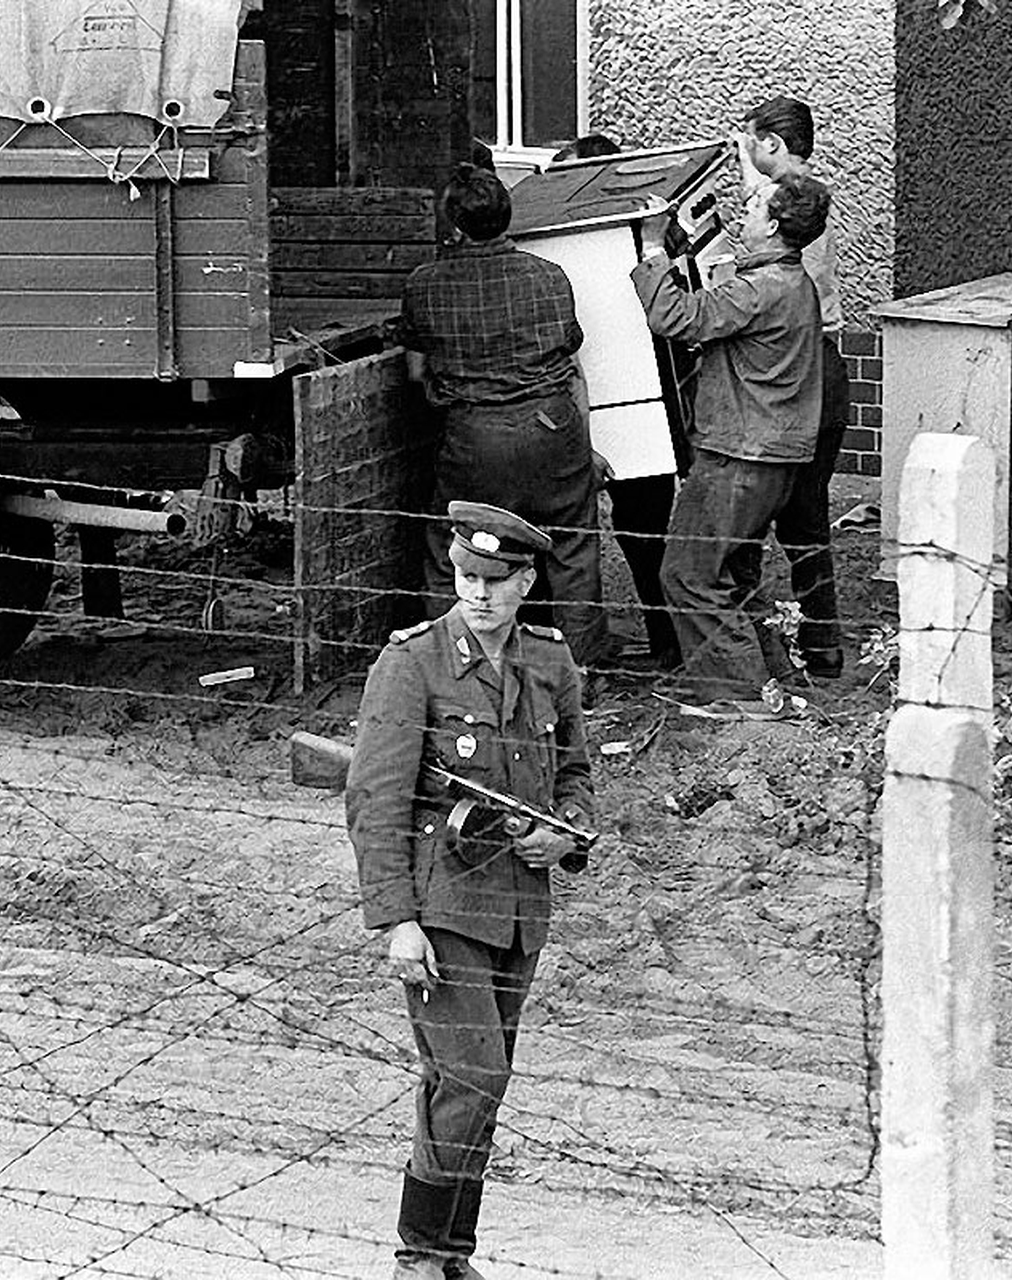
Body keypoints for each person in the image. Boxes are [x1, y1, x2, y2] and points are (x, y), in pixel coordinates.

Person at [346, 500, 594, 1280]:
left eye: (496, 580)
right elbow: (375, 799)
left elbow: (579, 777)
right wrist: (396, 921)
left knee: (485, 1084)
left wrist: (566, 832)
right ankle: (418, 1254)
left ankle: (451, 1254)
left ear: (527, 582)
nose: (478, 594)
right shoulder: (413, 662)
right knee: (470, 1075)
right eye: (465, 577)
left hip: (520, 910)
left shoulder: (550, 663)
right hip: (442, 902)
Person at [398, 164, 610, 672]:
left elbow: (413, 370)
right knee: (573, 549)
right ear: (507, 217)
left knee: (454, 548)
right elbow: (569, 366)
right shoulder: (548, 276)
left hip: (475, 439)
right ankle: (581, 672)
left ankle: (454, 666)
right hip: (552, 429)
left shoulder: (425, 284)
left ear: (453, 224)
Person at [629, 172, 832, 701]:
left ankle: (740, 698)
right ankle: (777, 683)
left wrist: (652, 246)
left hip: (738, 458)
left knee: (688, 575)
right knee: (735, 577)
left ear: (772, 224)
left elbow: (676, 317)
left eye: (756, 203)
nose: (746, 208)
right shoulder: (789, 281)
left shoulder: (762, 288)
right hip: (770, 458)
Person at [551, 131, 683, 670]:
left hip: (637, 412)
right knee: (582, 540)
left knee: (644, 538)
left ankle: (668, 644)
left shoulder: (647, 242)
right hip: (589, 409)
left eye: (565, 178)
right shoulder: (568, 244)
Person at [736, 96, 851, 679]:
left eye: (750, 139)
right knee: (808, 521)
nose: (744, 150)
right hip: (827, 370)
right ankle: (822, 643)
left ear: (773, 146)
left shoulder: (777, 205)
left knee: (750, 518)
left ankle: (759, 647)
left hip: (792, 376)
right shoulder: (815, 196)